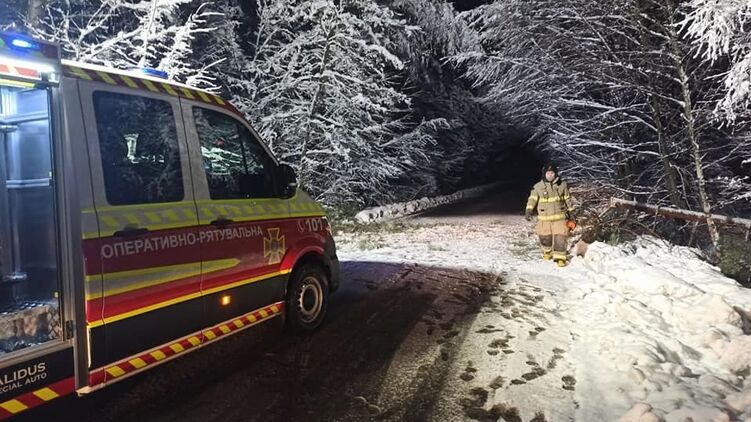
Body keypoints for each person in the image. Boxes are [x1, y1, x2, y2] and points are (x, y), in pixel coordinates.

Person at [525, 163, 575, 267]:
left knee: (561, 237)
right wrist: (529, 210)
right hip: (544, 218)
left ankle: (560, 258)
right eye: (548, 173)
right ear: (544, 174)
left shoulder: (562, 185)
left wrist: (571, 212)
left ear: (555, 174)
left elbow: (568, 199)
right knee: (545, 237)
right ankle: (547, 252)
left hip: (560, 217)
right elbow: (532, 199)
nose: (550, 175)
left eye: (552, 173)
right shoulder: (538, 187)